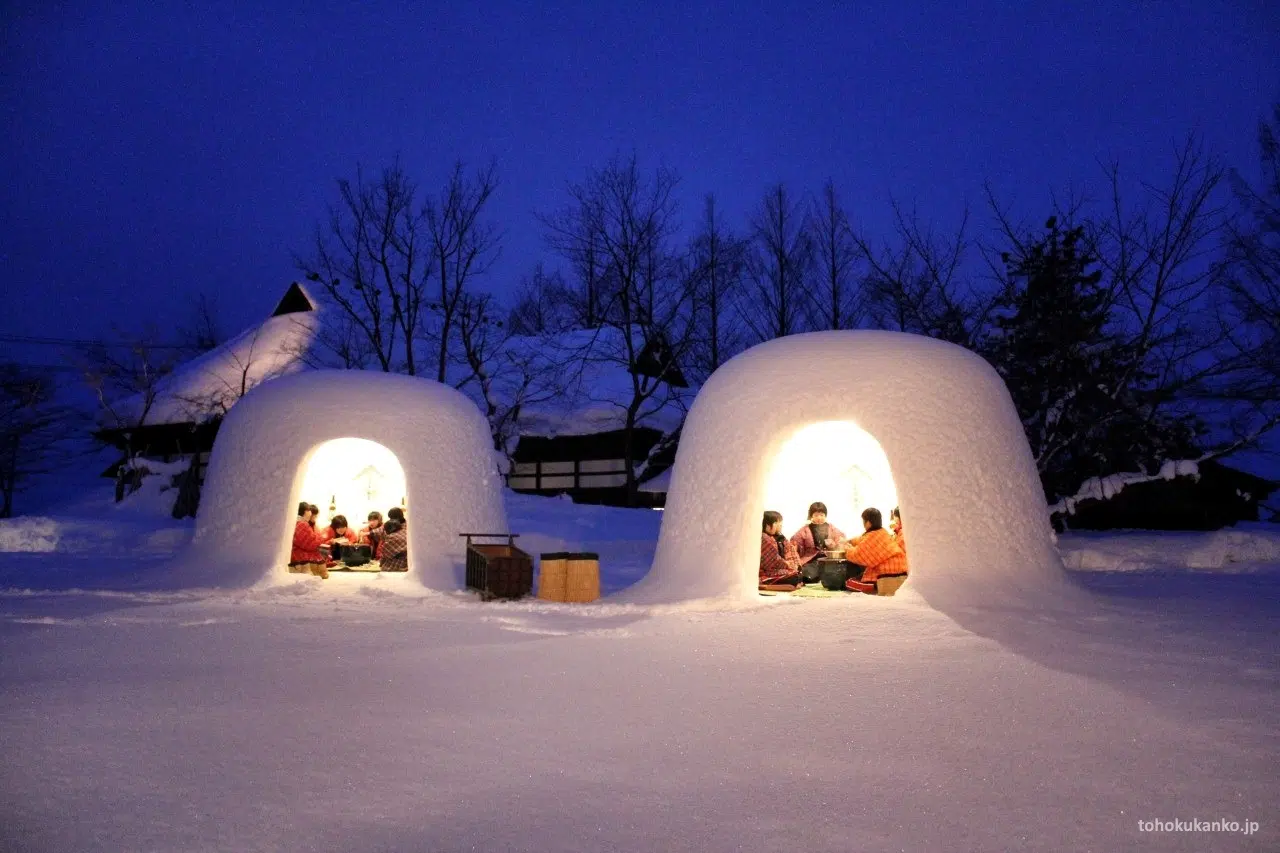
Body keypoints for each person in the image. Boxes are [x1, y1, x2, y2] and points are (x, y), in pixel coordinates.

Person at [842, 507, 907, 594]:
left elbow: (857, 554)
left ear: (868, 523)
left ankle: (875, 588)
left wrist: (846, 549)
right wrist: (849, 541)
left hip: (887, 575)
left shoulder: (872, 536)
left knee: (849, 583)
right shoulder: (882, 532)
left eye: (863, 521)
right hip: (901, 569)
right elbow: (862, 539)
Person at [789, 501, 846, 568]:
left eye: (822, 515)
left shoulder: (832, 528)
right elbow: (794, 544)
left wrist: (833, 545)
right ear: (811, 516)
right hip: (810, 560)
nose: (819, 518)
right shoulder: (804, 530)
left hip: (829, 559)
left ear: (825, 515)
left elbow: (841, 540)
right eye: (816, 515)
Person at [760, 510, 803, 590]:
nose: (780, 525)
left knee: (799, 575)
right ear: (767, 525)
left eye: (780, 522)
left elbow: (791, 551)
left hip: (783, 568)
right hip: (769, 571)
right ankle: (766, 585)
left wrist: (796, 564)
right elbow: (772, 560)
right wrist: (788, 564)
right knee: (794, 578)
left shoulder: (780, 536)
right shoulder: (764, 538)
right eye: (776, 523)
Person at [289, 502, 328, 579]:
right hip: (300, 556)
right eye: (309, 510)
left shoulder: (298, 522)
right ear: (305, 511)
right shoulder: (302, 524)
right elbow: (310, 544)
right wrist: (321, 538)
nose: (310, 513)